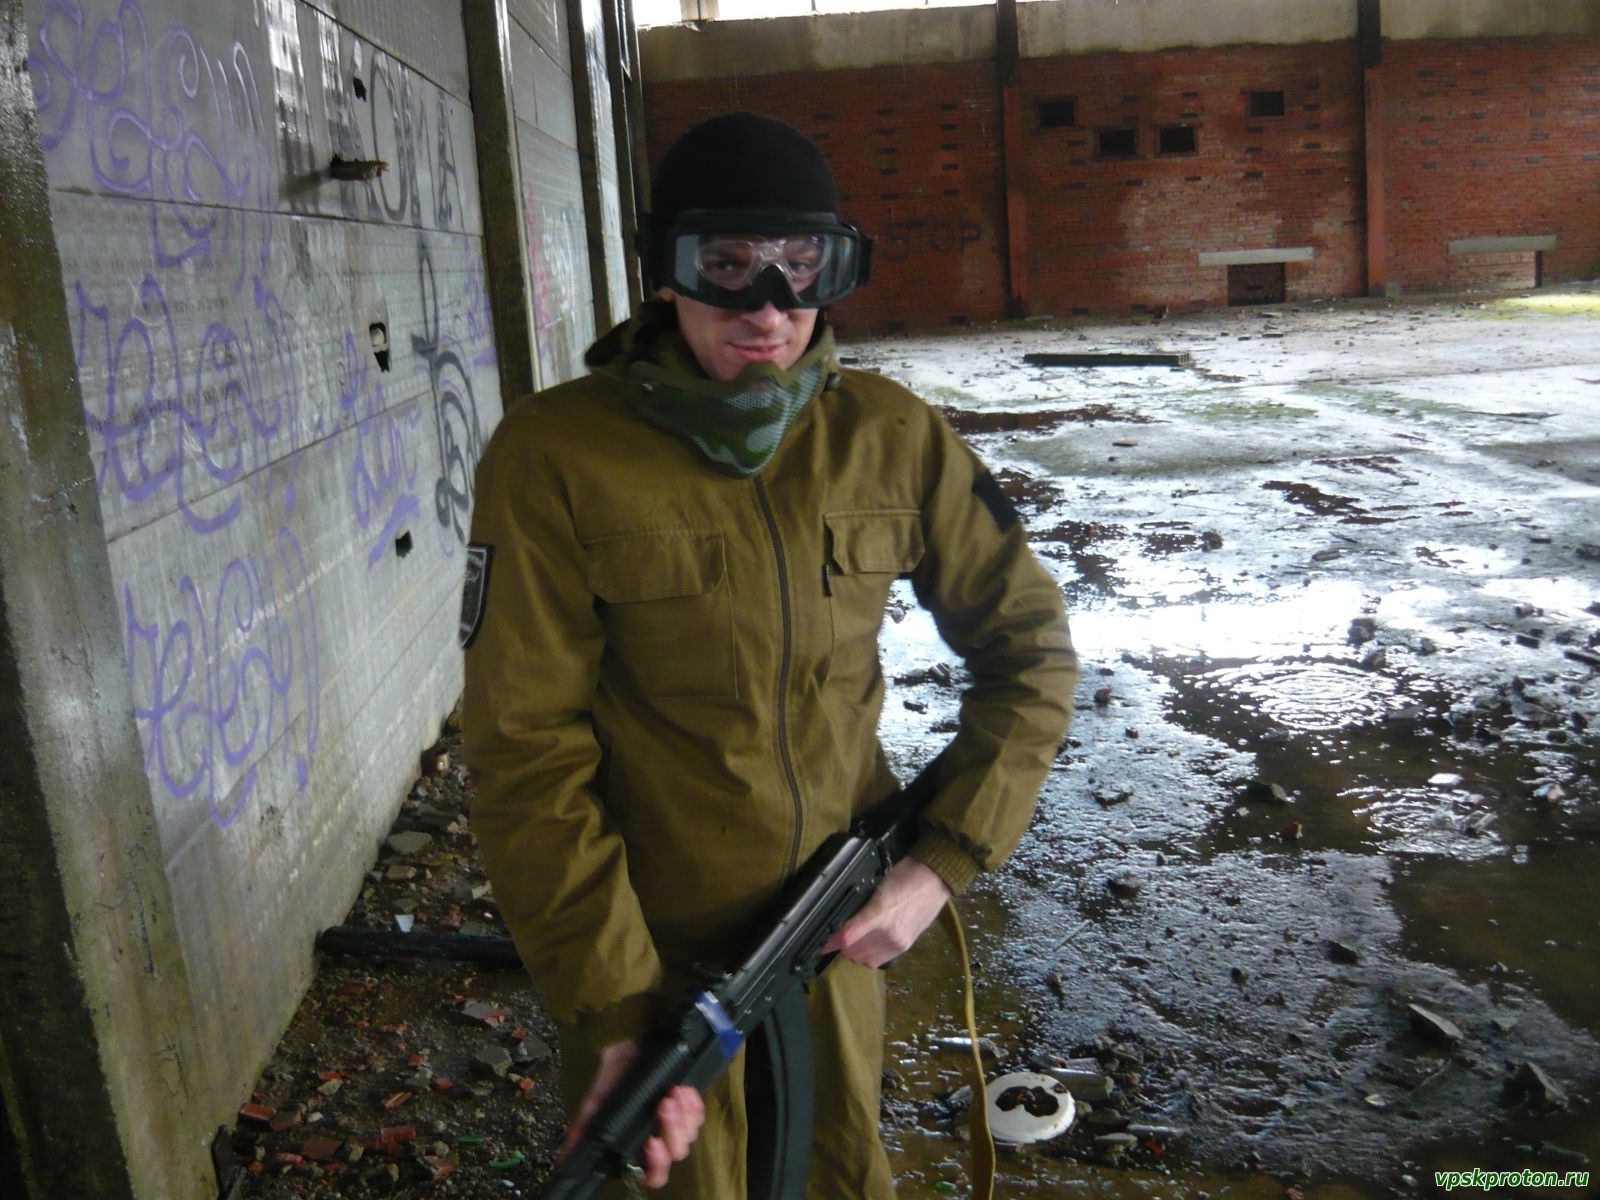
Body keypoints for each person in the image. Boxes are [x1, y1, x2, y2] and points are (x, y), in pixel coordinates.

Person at [461, 111, 1076, 1198]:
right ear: (666, 274)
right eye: (729, 265)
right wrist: (609, 1008)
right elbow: (524, 747)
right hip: (651, 959)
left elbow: (1029, 650)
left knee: (839, 1174)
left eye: (803, 266)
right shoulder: (555, 454)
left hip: (835, 933)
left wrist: (938, 865)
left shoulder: (889, 436)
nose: (769, 306)